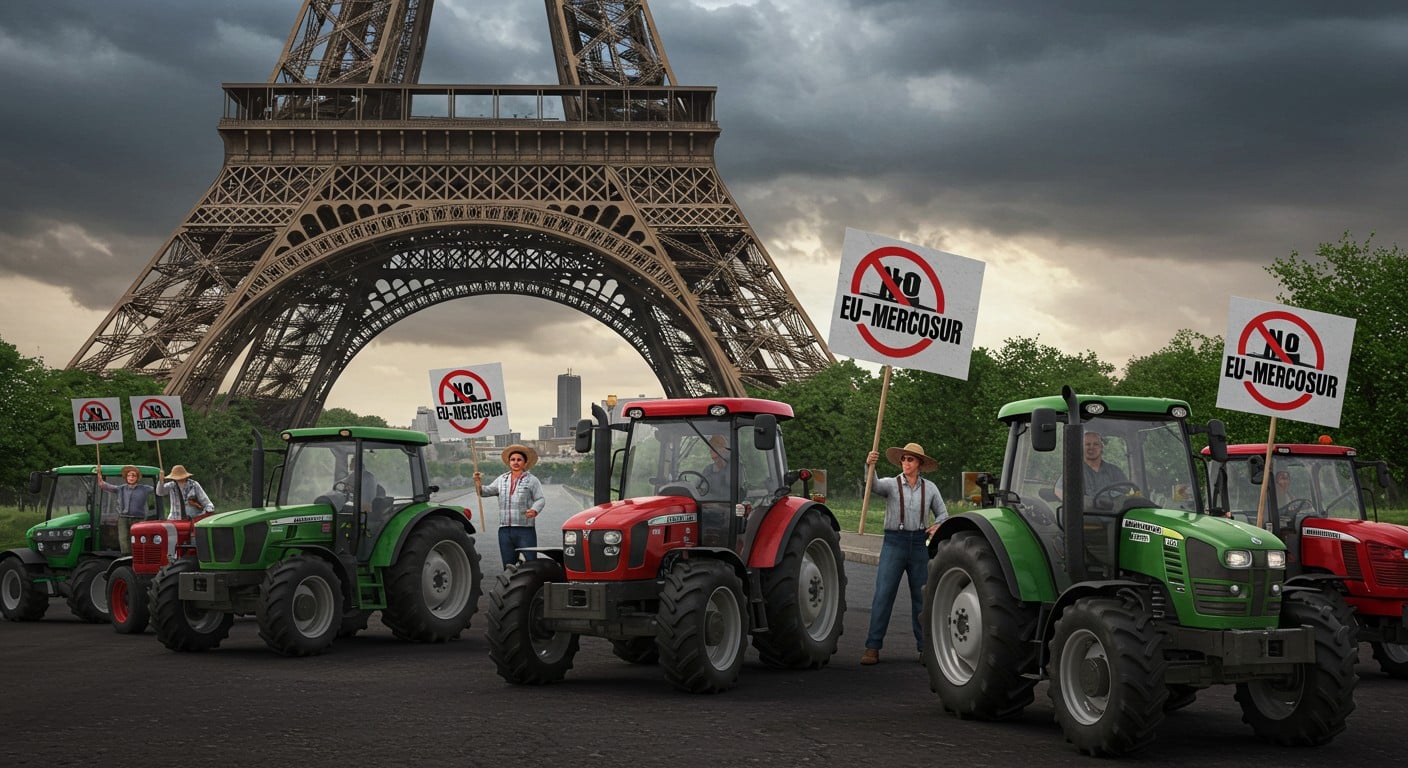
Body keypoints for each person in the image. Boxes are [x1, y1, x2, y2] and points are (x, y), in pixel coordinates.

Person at [861, 442, 948, 666]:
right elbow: (874, 485)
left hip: (919, 544)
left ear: (919, 463)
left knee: (922, 598)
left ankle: (925, 649)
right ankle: (872, 647)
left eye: (910, 459)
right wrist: (869, 465)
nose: (906, 463)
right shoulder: (891, 484)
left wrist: (938, 526)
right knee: (883, 595)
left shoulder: (930, 488)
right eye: (904, 459)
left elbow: (943, 514)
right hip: (894, 543)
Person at [475, 444, 545, 568]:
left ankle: (532, 586)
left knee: (531, 564)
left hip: (525, 529)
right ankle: (509, 586)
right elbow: (484, 492)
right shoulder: (501, 479)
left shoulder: (532, 480)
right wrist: (478, 483)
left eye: (519, 460)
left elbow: (540, 499)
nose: (516, 462)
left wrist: (534, 510)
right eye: (513, 459)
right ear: (509, 462)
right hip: (504, 530)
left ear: (525, 462)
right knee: (508, 565)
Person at [96, 464, 158, 555]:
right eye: (129, 475)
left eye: (133, 475)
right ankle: (126, 557)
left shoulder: (144, 489)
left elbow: (159, 489)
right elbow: (103, 485)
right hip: (123, 518)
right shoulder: (120, 488)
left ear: (137, 477)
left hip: (138, 519)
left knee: (138, 539)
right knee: (124, 539)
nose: (131, 477)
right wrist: (99, 474)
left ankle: (138, 557)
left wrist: (161, 477)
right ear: (126, 477)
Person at [1055, 430, 1127, 502]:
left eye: (1095, 444)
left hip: (1113, 513)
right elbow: (1059, 490)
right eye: (1087, 444)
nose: (1091, 447)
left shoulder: (1115, 471)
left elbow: (1127, 491)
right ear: (1081, 448)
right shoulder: (1074, 471)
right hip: (1084, 512)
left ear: (1101, 447)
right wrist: (1074, 504)